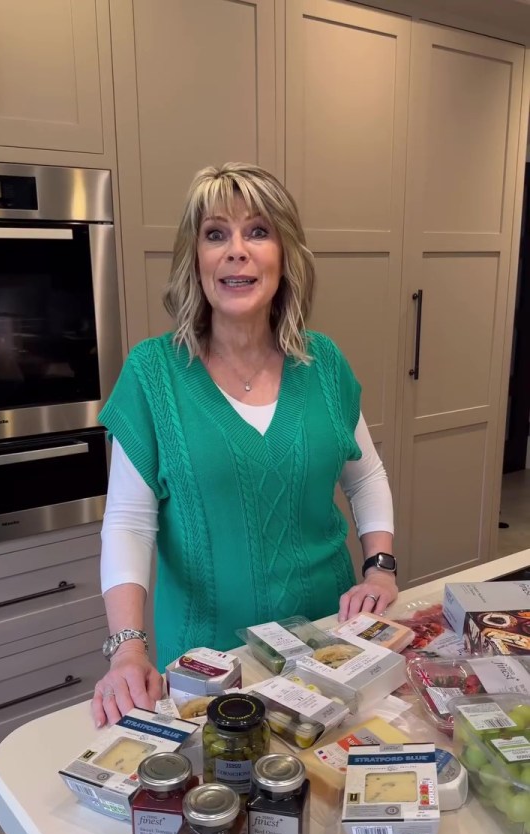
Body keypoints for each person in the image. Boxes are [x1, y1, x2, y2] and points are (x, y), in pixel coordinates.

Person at [92, 162, 398, 728]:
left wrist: (379, 567)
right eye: (216, 234)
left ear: (285, 255)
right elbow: (130, 522)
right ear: (196, 259)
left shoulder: (323, 362)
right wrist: (128, 645)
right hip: (208, 665)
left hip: (329, 645)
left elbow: (365, 476)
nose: (237, 250)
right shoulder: (153, 374)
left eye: (257, 231)